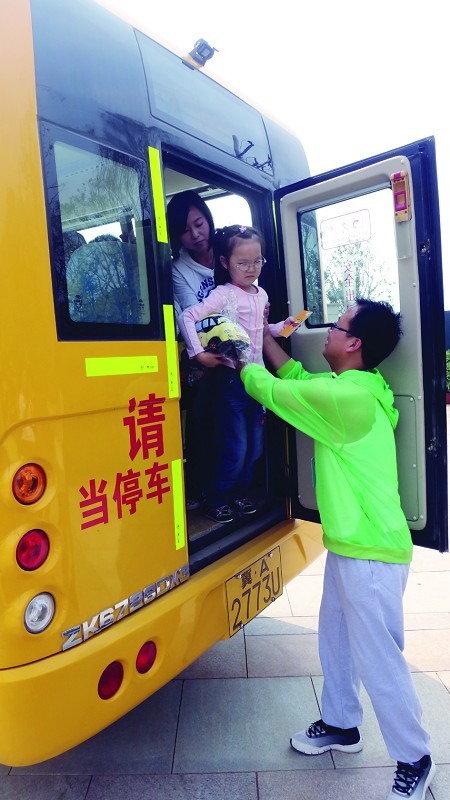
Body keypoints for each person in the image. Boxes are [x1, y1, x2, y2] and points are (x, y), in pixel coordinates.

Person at [238, 299, 435, 800]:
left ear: (354, 344)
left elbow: (279, 393)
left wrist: (243, 358)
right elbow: (301, 378)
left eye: (337, 325)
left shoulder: (350, 401)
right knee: (337, 641)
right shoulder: (353, 389)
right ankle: (342, 724)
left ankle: (415, 756)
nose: (326, 331)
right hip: (354, 544)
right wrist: (262, 335)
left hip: (372, 552)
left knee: (378, 659)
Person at [178, 224, 295, 524]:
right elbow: (187, 317)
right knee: (236, 446)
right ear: (225, 263)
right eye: (242, 263)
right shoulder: (223, 294)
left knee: (255, 447)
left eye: (257, 261)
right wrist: (199, 354)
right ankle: (217, 498)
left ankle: (239, 493)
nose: (251, 268)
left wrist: (282, 327)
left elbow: (257, 331)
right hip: (230, 382)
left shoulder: (262, 294)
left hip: (257, 380)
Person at [167, 191, 217, 510]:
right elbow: (189, 316)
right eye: (186, 230)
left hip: (241, 351)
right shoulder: (178, 269)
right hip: (204, 356)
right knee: (203, 425)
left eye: (199, 223)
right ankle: (201, 489)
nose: (196, 234)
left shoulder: (229, 249)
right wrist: (200, 354)